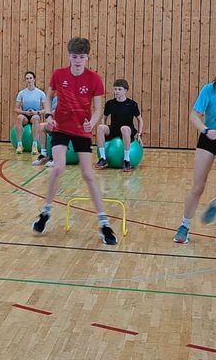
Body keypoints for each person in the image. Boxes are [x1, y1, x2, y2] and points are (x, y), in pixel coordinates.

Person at [31, 37, 118, 245]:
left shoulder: (94, 79)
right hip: (61, 127)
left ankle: (104, 223)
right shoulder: (59, 75)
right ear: (69, 56)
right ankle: (46, 212)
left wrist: (92, 123)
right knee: (58, 168)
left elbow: (98, 109)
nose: (77, 60)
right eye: (74, 56)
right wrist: (49, 115)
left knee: (88, 174)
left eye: (81, 57)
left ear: (87, 57)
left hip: (81, 130)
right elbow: (48, 97)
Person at [173, 64, 216, 244]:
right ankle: (184, 225)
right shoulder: (209, 90)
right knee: (198, 187)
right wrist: (205, 130)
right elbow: (194, 116)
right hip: (209, 137)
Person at [95, 79, 144, 172]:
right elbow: (104, 118)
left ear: (125, 90)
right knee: (100, 127)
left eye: (119, 89)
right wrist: (103, 127)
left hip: (128, 129)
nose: (117, 91)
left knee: (124, 128)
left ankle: (126, 160)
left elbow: (140, 119)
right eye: (115, 89)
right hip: (114, 128)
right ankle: (102, 158)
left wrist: (139, 135)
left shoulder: (132, 104)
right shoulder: (110, 103)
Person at [14, 71, 47, 159]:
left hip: (35, 114)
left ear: (34, 79)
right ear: (25, 80)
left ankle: (34, 145)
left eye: (30, 78)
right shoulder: (22, 93)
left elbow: (46, 109)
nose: (29, 80)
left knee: (35, 118)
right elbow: (16, 108)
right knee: (19, 117)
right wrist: (25, 112)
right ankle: (19, 145)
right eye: (27, 79)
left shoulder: (40, 93)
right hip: (25, 114)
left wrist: (37, 112)